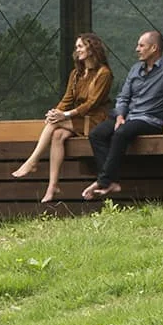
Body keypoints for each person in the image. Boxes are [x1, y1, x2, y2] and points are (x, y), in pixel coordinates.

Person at [82, 28, 163, 199]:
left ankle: (104, 181)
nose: (137, 49)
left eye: (141, 45)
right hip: (128, 117)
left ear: (154, 48)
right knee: (97, 134)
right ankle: (111, 181)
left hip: (150, 120)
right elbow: (123, 97)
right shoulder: (135, 69)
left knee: (120, 133)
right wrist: (120, 115)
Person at [10, 33, 113, 202]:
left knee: (55, 124)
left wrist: (63, 115)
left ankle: (32, 161)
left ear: (91, 48)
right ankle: (53, 187)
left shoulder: (104, 73)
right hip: (78, 119)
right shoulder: (76, 74)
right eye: (76, 47)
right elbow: (67, 99)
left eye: (80, 46)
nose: (77, 50)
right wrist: (54, 112)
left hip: (96, 120)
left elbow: (92, 103)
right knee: (57, 134)